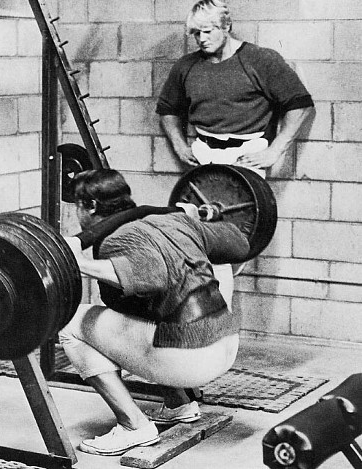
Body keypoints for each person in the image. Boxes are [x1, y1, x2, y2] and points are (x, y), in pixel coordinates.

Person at [153, 0, 315, 418]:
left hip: (247, 162)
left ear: (227, 26)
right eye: (194, 33)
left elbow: (300, 104)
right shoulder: (187, 67)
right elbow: (168, 111)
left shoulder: (261, 60)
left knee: (228, 257)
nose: (200, 39)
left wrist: (277, 149)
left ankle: (207, 347)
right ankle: (200, 348)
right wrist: (179, 144)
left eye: (207, 31)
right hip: (206, 162)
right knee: (201, 254)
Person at [59, 168, 250, 456]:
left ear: (91, 206)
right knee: (151, 306)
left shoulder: (117, 239)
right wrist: (193, 223)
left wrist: (77, 261)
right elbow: (240, 245)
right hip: (226, 347)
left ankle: (133, 425)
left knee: (72, 322)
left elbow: (153, 274)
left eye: (76, 206)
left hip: (190, 360)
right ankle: (178, 405)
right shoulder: (174, 219)